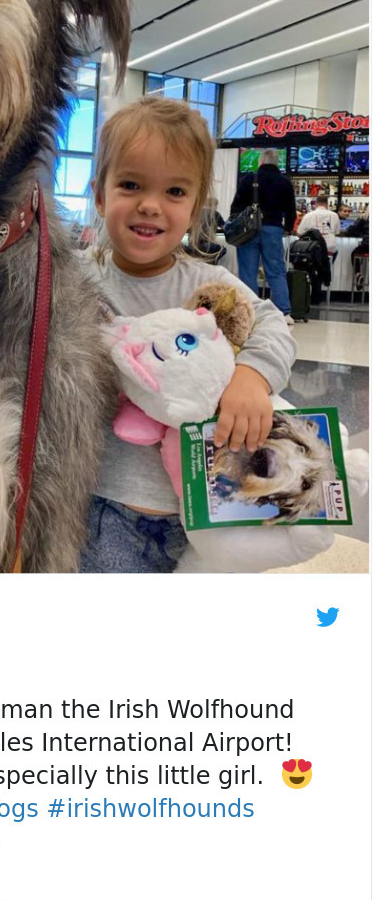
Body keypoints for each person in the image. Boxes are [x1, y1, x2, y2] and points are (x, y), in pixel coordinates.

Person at [79, 95, 296, 573]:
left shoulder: (206, 286)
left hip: (204, 514)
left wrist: (251, 377)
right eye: (131, 184)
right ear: (100, 194)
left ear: (197, 205)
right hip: (102, 505)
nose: (151, 206)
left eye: (175, 192)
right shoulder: (72, 280)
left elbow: (274, 324)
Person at [230, 148, 296, 323]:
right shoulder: (284, 182)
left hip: (249, 230)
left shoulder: (249, 179)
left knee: (248, 272)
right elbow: (291, 209)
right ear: (276, 162)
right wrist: (288, 227)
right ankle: (284, 311)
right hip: (273, 228)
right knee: (276, 271)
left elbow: (236, 206)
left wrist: (234, 224)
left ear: (260, 162)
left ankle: (251, 310)